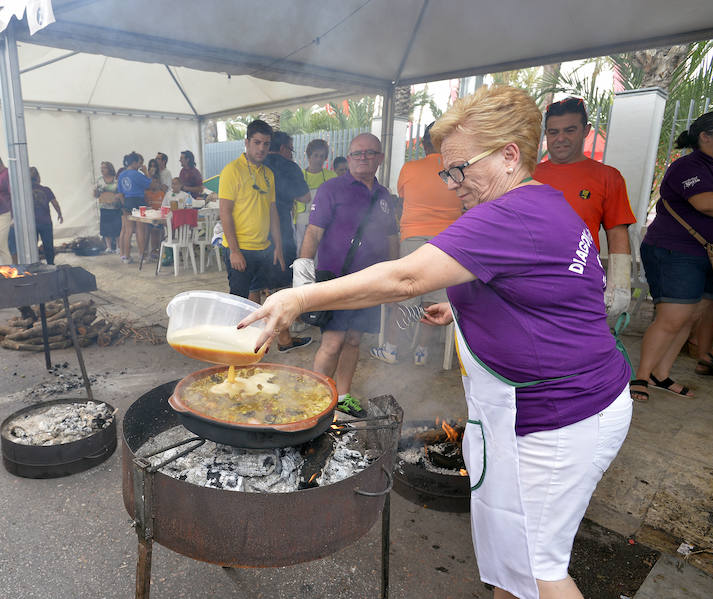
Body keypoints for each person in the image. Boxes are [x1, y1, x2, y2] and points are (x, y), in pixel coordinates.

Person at [244, 86, 631, 599]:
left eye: (460, 170)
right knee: (511, 566)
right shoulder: (543, 203)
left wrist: (299, 299)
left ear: (509, 155)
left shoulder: (509, 214)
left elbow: (406, 278)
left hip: (559, 416)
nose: (453, 185)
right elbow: (540, 285)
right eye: (447, 172)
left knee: (539, 571)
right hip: (546, 408)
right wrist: (460, 306)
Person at [291, 133, 398, 416]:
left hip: (372, 281)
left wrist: (396, 272)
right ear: (348, 158)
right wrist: (303, 267)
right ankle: (316, 399)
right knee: (333, 341)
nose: (363, 157)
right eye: (357, 153)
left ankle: (343, 395)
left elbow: (391, 236)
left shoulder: (384, 195)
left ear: (380, 158)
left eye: (370, 153)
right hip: (336, 280)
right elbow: (314, 231)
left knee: (353, 340)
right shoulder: (331, 189)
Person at [632, 110, 713, 400]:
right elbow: (708, 204)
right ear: (705, 137)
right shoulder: (689, 166)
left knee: (688, 318)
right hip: (676, 250)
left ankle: (662, 374)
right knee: (673, 317)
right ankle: (642, 377)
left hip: (709, 255)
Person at [533, 97, 635, 319]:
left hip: (579, 281)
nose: (560, 138)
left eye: (569, 130)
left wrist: (619, 287)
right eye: (553, 132)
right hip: (529, 277)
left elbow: (617, 233)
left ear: (586, 130)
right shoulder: (528, 175)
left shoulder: (608, 176)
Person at [369, 123, 462, 366]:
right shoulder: (456, 171)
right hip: (446, 242)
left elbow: (403, 198)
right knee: (432, 302)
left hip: (412, 240)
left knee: (405, 298)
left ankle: (391, 348)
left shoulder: (409, 168)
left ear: (423, 143)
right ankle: (422, 352)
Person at [219, 119, 310, 353]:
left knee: (270, 298)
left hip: (265, 249)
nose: (261, 148)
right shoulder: (232, 171)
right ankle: (234, 350)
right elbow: (225, 213)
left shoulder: (268, 173)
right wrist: (235, 251)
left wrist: (278, 246)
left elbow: (272, 213)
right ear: (247, 142)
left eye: (266, 144)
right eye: (257, 142)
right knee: (239, 303)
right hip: (241, 250)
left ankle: (266, 343)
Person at [263, 131, 310, 289]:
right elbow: (305, 197)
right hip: (282, 222)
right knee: (283, 271)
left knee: (259, 276)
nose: (291, 154)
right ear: (283, 148)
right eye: (291, 149)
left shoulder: (258, 164)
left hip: (256, 225)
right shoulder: (290, 167)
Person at [8, 167, 63, 265]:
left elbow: (18, 206)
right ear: (38, 177)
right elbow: (55, 203)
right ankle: (50, 263)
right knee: (48, 245)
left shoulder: (24, 192)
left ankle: (35, 264)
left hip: (31, 223)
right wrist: (59, 214)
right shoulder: (46, 190)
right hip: (46, 222)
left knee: (32, 245)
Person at [298, 139, 338, 248]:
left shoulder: (332, 177)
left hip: (326, 224)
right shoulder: (299, 176)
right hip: (302, 224)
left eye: (322, 156)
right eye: (316, 155)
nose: (319, 159)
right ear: (309, 156)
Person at [118, 151, 152, 264]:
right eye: (139, 163)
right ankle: (142, 256)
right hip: (138, 200)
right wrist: (146, 172)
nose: (140, 165)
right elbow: (149, 184)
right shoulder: (136, 174)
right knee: (140, 229)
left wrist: (124, 204)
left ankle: (126, 257)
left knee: (128, 230)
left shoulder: (122, 174)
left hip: (127, 201)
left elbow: (121, 192)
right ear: (134, 162)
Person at [95, 161, 123, 253]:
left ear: (109, 169)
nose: (102, 169)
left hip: (115, 207)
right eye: (101, 168)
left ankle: (118, 247)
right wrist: (95, 192)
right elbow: (96, 194)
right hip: (104, 206)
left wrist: (117, 197)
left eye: (104, 167)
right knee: (106, 227)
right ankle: (109, 247)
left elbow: (120, 192)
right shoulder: (99, 180)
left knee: (117, 227)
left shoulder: (116, 179)